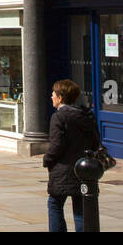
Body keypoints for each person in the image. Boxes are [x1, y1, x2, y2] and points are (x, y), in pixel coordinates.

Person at [42, 79, 98, 232]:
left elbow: (56, 145)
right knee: (80, 207)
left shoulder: (59, 117)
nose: (51, 97)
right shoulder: (86, 115)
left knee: (54, 204)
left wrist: (47, 159)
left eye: (53, 94)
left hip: (63, 169)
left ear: (60, 97)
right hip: (83, 170)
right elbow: (95, 142)